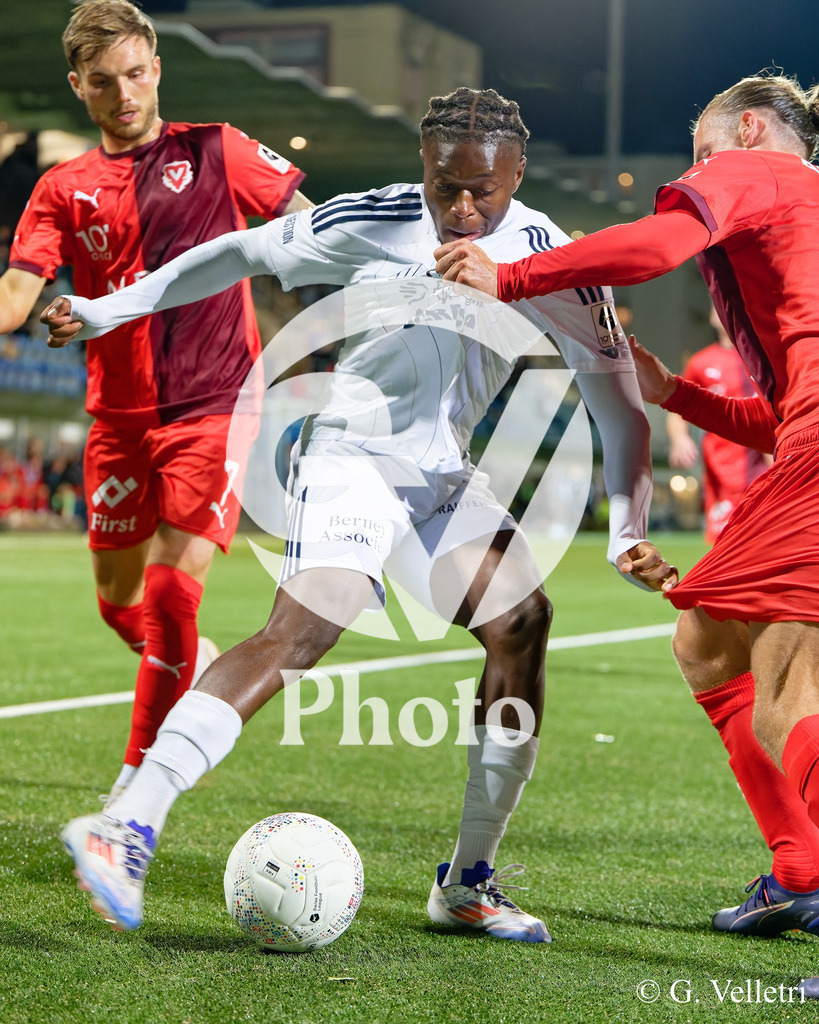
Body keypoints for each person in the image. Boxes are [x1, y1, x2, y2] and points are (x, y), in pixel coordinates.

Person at [45, 86, 676, 938]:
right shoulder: (376, 218)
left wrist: (627, 529)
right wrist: (101, 310)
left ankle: (465, 883)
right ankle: (127, 822)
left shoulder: (551, 255)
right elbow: (236, 253)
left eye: (481, 190)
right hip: (352, 455)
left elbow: (616, 400)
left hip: (442, 476)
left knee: (521, 619)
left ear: (516, 175)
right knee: (306, 629)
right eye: (444, 184)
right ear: (423, 163)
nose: (460, 208)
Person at [435, 74, 819, 969]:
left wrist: (512, 275)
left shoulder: (758, 169)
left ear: (751, 128)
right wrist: (674, 391)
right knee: (708, 642)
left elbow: (654, 249)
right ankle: (798, 870)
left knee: (788, 694)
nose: (698, 175)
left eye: (700, 156)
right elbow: (779, 416)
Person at [0, 1, 309, 801]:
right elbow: (16, 295)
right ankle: (192, 673)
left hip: (214, 401)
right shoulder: (63, 188)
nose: (124, 93)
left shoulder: (218, 150)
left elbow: (306, 224)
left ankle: (134, 793)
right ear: (79, 87)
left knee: (175, 594)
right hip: (119, 415)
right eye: (104, 82)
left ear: (157, 69)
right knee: (120, 608)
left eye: (136, 74)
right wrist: (48, 310)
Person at [666, 306, 770, 544]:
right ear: (712, 317)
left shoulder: (761, 356)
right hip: (721, 466)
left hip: (762, 463)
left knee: (761, 538)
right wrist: (680, 439)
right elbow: (675, 406)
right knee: (723, 541)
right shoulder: (700, 363)